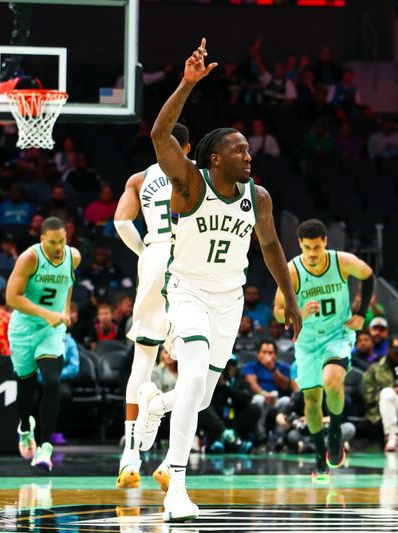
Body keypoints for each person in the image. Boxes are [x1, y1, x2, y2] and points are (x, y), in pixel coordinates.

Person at [134, 38, 301, 522]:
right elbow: (161, 135)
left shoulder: (259, 197)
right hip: (186, 292)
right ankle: (176, 483)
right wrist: (187, 84)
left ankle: (154, 405)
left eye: (249, 150)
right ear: (214, 160)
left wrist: (287, 297)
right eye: (238, 150)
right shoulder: (189, 184)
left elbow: (270, 248)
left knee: (200, 395)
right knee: (193, 380)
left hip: (229, 301)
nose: (248, 156)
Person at [273, 218, 373, 478]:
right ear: (300, 245)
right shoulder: (292, 270)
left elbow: (368, 274)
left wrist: (362, 313)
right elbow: (277, 312)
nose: (313, 253)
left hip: (336, 334)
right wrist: (297, 313)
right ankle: (319, 455)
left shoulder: (341, 262)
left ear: (325, 242)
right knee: (312, 400)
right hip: (306, 341)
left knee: (332, 380)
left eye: (317, 247)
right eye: (307, 248)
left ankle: (336, 433)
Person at [5, 216, 81, 472]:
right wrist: (45, 313)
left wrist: (65, 310)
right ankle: (25, 427)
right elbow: (11, 298)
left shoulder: (74, 256)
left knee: (51, 382)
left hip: (52, 330)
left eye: (63, 241)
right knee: (25, 388)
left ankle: (45, 448)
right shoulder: (30, 258)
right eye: (53, 243)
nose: (59, 247)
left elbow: (69, 284)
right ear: (41, 240)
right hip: (24, 329)